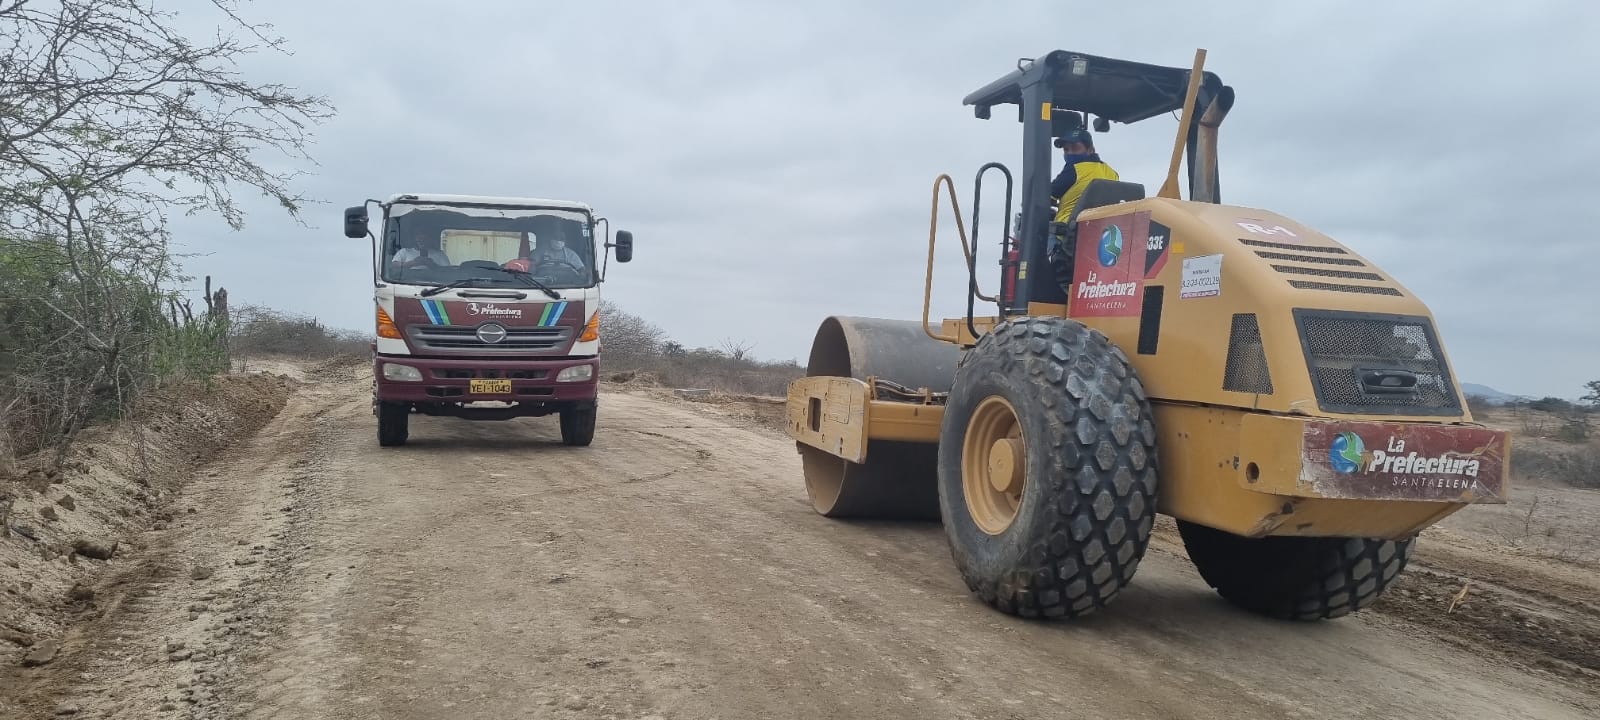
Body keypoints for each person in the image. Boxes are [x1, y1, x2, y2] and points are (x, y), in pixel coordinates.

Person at [1050, 128, 1119, 224]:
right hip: (1100, 227)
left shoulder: (1075, 169)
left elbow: (1047, 195)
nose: (1069, 153)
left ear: (1090, 150)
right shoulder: (1112, 172)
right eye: (1066, 149)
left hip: (1068, 227)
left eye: (1075, 148)